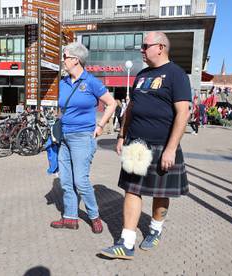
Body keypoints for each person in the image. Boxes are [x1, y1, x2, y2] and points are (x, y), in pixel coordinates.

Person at [100, 32, 191, 259]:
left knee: (160, 194)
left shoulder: (176, 75)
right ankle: (126, 243)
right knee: (132, 190)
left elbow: (183, 113)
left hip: (162, 145)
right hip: (136, 145)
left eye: (145, 45)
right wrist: (121, 135)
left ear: (160, 47)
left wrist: (171, 149)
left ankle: (155, 230)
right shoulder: (141, 75)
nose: (141, 49)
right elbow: (131, 108)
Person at [50, 42, 116, 233]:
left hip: (82, 138)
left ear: (75, 60)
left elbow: (111, 104)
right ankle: (70, 218)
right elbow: (62, 107)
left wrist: (100, 125)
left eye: (65, 57)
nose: (62, 61)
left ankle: (94, 215)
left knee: (81, 180)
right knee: (65, 181)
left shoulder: (91, 82)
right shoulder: (62, 83)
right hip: (64, 137)